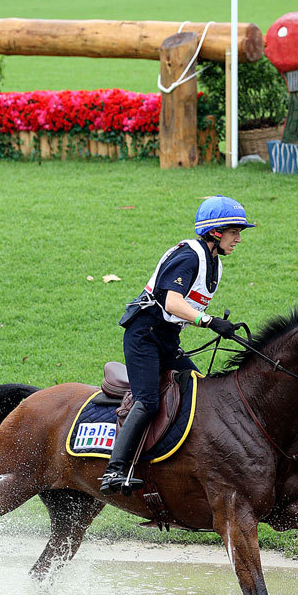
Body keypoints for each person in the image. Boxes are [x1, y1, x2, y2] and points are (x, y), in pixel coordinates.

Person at [99, 194, 255, 496]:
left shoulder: (215, 265)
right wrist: (210, 322)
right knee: (147, 401)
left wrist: (217, 326)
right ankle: (114, 470)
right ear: (216, 232)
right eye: (235, 231)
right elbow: (171, 302)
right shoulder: (189, 256)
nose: (238, 239)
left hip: (167, 339)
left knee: (202, 388)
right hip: (144, 336)